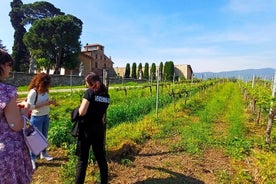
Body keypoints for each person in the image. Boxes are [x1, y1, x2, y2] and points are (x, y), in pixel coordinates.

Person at [0, 49, 33, 183]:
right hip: (7, 152)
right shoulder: (6, 91)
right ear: (1, 65)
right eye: (9, 64)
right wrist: (25, 111)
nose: (10, 68)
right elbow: (16, 125)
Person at [75, 72, 110, 184]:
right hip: (99, 130)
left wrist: (75, 110)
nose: (87, 86)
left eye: (87, 83)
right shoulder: (106, 96)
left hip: (86, 130)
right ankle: (104, 182)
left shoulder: (90, 93)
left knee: (82, 160)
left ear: (91, 82)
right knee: (101, 159)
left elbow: (82, 111)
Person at [26, 72, 56, 170]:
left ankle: (44, 153)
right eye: (46, 84)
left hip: (45, 116)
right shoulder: (33, 92)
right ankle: (33, 158)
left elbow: (46, 101)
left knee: (44, 136)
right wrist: (45, 103)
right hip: (36, 117)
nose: (48, 86)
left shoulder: (45, 91)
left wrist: (51, 103)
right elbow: (29, 107)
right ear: (41, 83)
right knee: (35, 139)